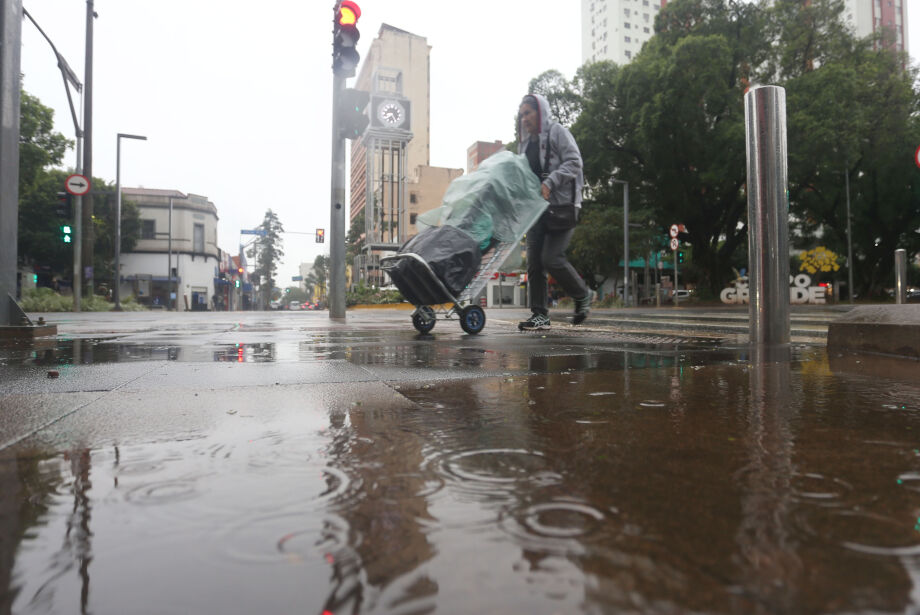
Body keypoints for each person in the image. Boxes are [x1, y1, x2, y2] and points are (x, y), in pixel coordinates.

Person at [517, 93, 593, 330]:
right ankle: (540, 314)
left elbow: (574, 161)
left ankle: (582, 295)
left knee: (551, 258)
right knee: (534, 264)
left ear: (540, 112)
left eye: (528, 113)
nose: (524, 119)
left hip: (562, 206)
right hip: (536, 209)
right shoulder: (525, 143)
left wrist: (550, 182)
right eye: (522, 115)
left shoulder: (557, 132)